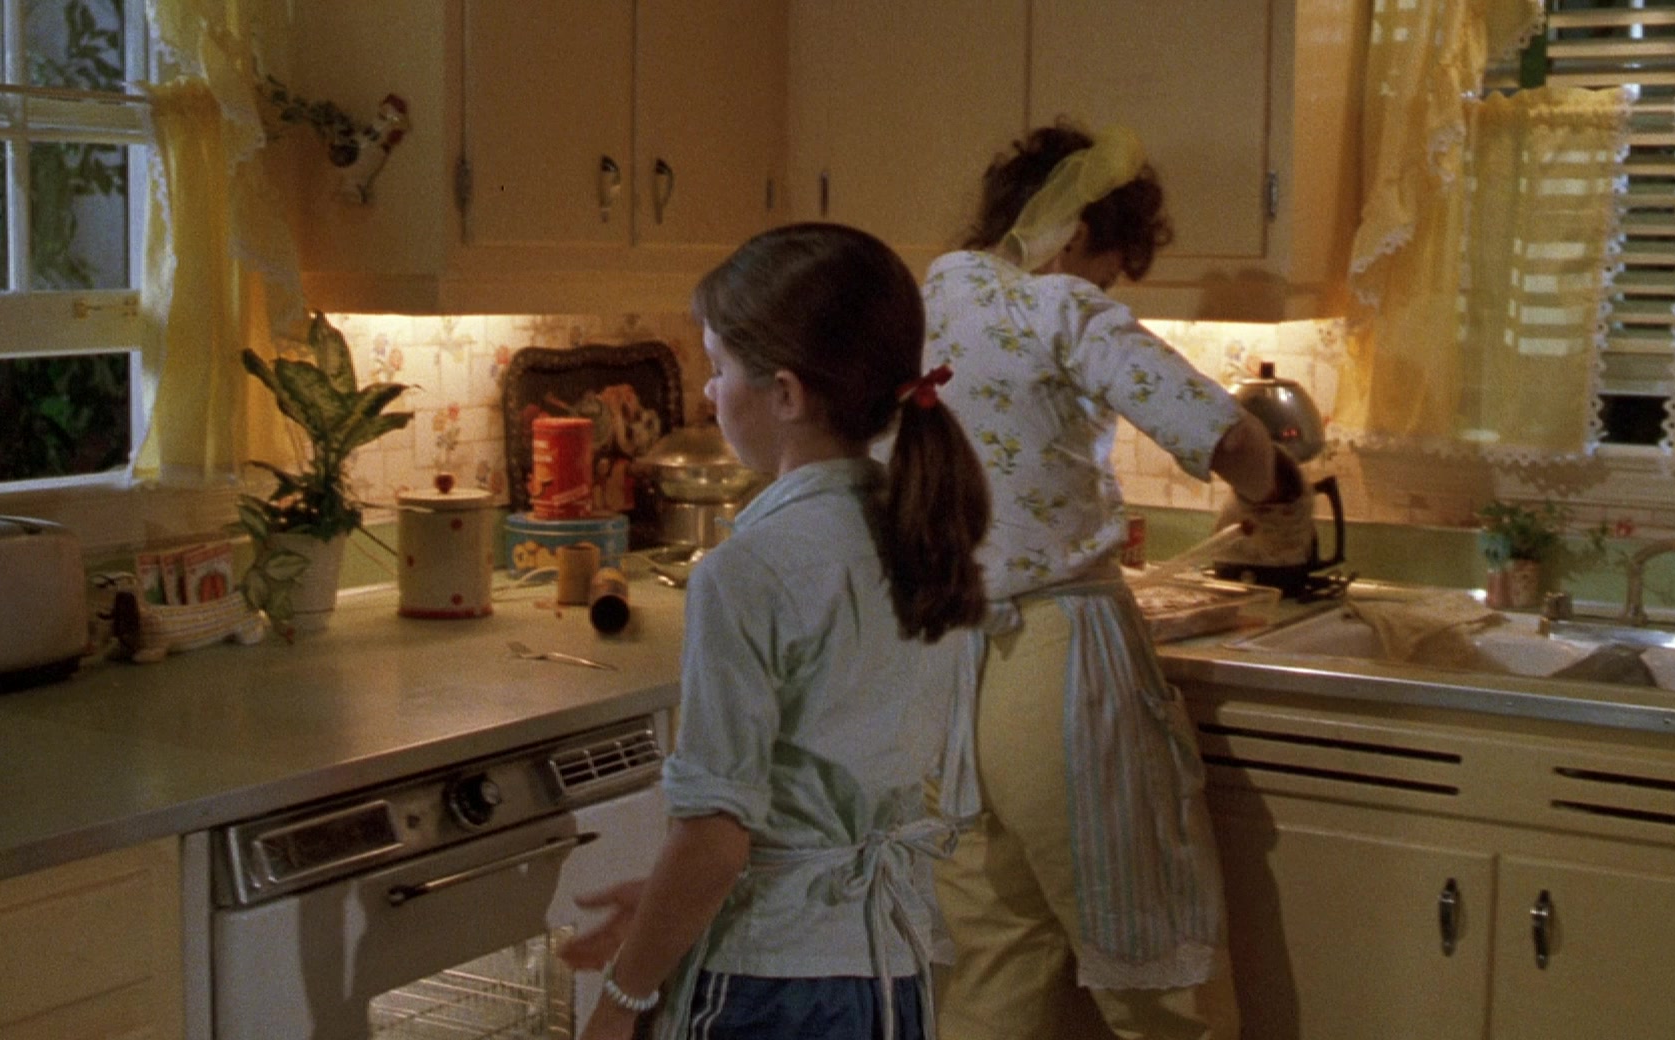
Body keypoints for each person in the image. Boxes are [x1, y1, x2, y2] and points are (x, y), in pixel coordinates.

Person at [558, 222, 993, 1040]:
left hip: (771, 985)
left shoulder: (748, 572)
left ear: (787, 395)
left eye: (720, 368)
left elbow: (716, 842)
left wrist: (623, 999)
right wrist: (664, 904)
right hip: (889, 974)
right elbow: (814, 799)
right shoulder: (922, 535)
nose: (709, 393)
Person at [921, 122, 1304, 1040]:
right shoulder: (1059, 307)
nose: (1106, 289)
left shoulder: (922, 301)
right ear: (1080, 233)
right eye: (1111, 270)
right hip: (1059, 668)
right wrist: (1281, 490)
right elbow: (1229, 437)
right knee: (1155, 965)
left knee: (995, 960)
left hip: (937, 670)